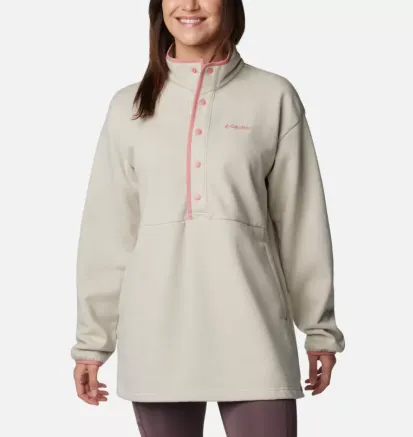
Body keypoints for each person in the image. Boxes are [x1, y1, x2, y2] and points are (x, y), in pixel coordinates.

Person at [71, 0, 346, 435]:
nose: (190, 5)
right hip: (156, 338)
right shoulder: (128, 105)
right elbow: (108, 232)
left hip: (254, 331)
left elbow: (302, 222)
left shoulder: (273, 96)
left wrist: (320, 329)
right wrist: (92, 342)